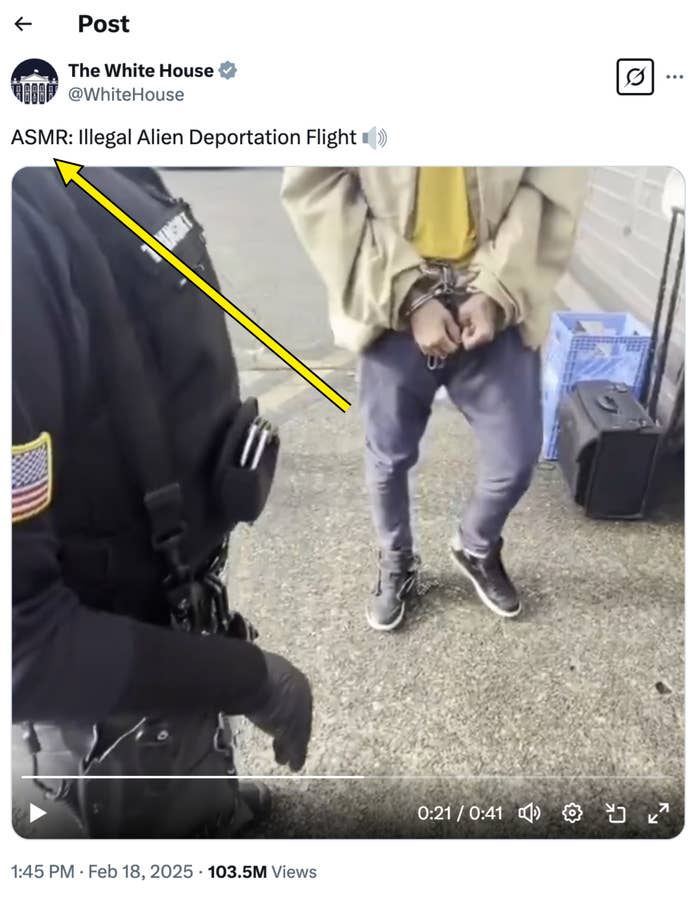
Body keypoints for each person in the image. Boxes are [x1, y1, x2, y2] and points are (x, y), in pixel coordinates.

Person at [12, 166, 312, 837]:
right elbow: (22, 650)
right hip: (94, 738)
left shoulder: (88, 159)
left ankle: (204, 799)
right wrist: (251, 679)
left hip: (168, 628)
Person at [282, 166, 588, 630]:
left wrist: (497, 289)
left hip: (492, 295)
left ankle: (476, 545)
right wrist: (407, 296)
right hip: (389, 303)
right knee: (388, 457)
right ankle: (396, 559)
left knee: (517, 454)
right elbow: (319, 188)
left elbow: (549, 180)